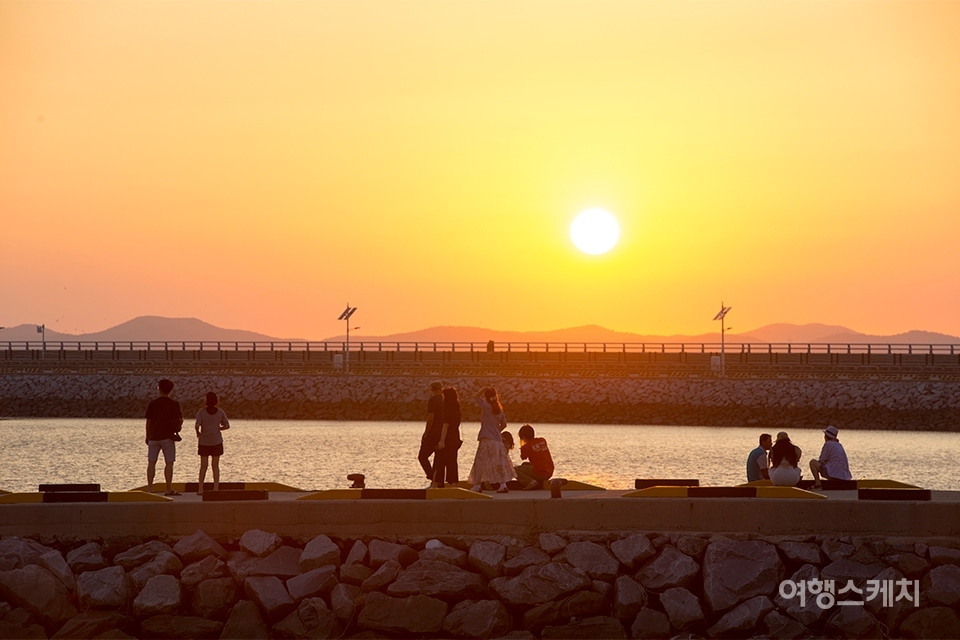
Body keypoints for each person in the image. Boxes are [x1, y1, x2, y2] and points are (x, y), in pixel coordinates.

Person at [467, 387, 514, 493]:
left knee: (480, 462)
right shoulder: (499, 410)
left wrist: (483, 388)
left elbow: (475, 397)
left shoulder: (486, 407)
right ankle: (503, 484)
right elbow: (504, 424)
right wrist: (496, 431)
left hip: (486, 439)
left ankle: (477, 485)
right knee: (498, 463)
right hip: (497, 440)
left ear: (487, 397)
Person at [144, 379, 183, 496]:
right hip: (168, 437)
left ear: (159, 389)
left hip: (154, 436)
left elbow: (148, 421)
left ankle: (150, 488)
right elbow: (180, 419)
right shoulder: (174, 404)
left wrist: (147, 435)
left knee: (151, 462)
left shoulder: (153, 403)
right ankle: (168, 488)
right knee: (169, 463)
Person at [195, 391, 230, 495]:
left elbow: (197, 425)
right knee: (215, 466)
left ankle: (200, 489)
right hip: (216, 441)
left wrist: (198, 433)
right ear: (216, 401)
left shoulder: (201, 412)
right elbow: (227, 425)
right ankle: (216, 488)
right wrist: (218, 428)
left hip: (204, 441)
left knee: (203, 466)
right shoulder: (220, 412)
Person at [432, 387, 462, 488]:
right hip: (455, 438)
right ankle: (454, 484)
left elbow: (445, 425)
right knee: (452, 462)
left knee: (439, 462)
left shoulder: (447, 409)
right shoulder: (457, 409)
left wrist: (442, 441)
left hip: (447, 438)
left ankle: (436, 483)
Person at [419, 381, 444, 486]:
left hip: (433, 433)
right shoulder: (445, 400)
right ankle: (438, 481)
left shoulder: (432, 400)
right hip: (443, 433)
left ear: (431, 389)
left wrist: (426, 432)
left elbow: (431, 418)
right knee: (438, 459)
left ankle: (431, 476)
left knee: (422, 457)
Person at [515, 424, 555, 490]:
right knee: (524, 464)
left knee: (515, 470)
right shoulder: (542, 440)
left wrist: (522, 447)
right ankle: (533, 480)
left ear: (523, 436)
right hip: (549, 471)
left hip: (541, 473)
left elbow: (523, 457)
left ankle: (529, 482)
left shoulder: (525, 447)